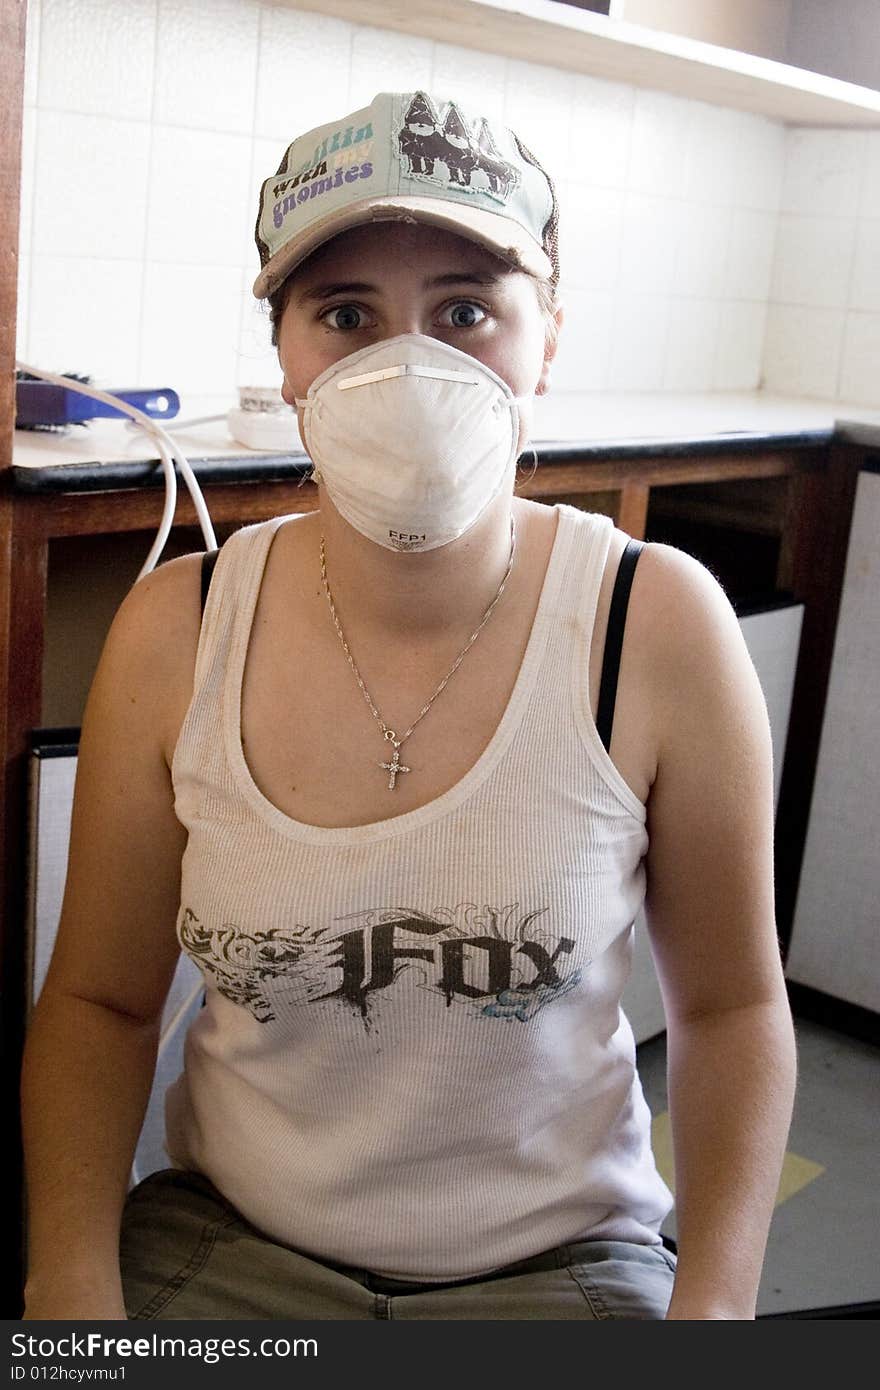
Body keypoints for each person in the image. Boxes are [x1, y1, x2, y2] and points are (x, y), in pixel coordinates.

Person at [20, 90, 797, 1322]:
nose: (409, 364)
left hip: (559, 1270)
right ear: (283, 353)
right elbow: (100, 1004)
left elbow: (733, 1006)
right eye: (346, 315)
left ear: (548, 338)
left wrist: (715, 1313)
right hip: (230, 1245)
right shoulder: (179, 629)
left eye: (466, 311)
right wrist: (71, 1297)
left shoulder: (655, 625)